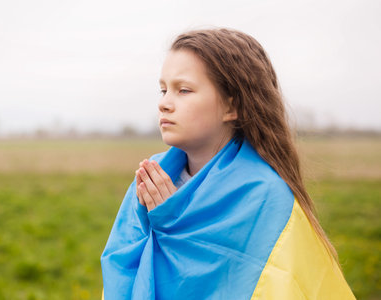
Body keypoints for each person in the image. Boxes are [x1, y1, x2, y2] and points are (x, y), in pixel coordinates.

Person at [101, 28, 355, 299]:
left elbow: (262, 283)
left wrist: (177, 225)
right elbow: (121, 267)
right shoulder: (152, 177)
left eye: (183, 90)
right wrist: (167, 226)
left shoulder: (265, 194)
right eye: (163, 90)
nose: (164, 103)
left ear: (231, 107)